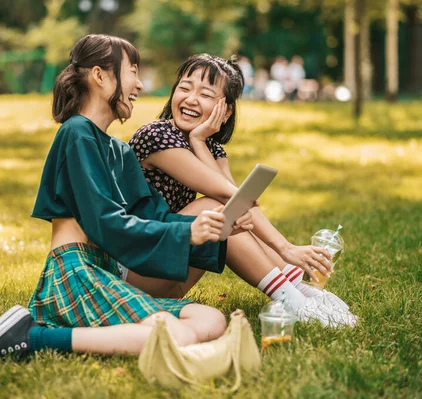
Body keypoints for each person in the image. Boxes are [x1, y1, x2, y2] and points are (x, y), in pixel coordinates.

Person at [0, 35, 255, 372]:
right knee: (179, 335)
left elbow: (154, 216)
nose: (140, 84)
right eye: (132, 72)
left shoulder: (120, 150)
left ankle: (109, 336)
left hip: (106, 274)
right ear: (100, 76)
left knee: (212, 320)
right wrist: (189, 232)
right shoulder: (76, 134)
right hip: (76, 274)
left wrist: (213, 226)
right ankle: (30, 336)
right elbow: (105, 223)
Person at [128, 54, 357, 326]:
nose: (190, 99)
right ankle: (293, 301)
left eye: (205, 94)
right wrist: (285, 248)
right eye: (184, 87)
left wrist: (200, 142)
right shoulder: (156, 136)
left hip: (167, 275)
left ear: (225, 111)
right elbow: (227, 196)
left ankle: (298, 289)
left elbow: (239, 203)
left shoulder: (209, 146)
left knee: (232, 215)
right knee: (217, 211)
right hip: (132, 272)